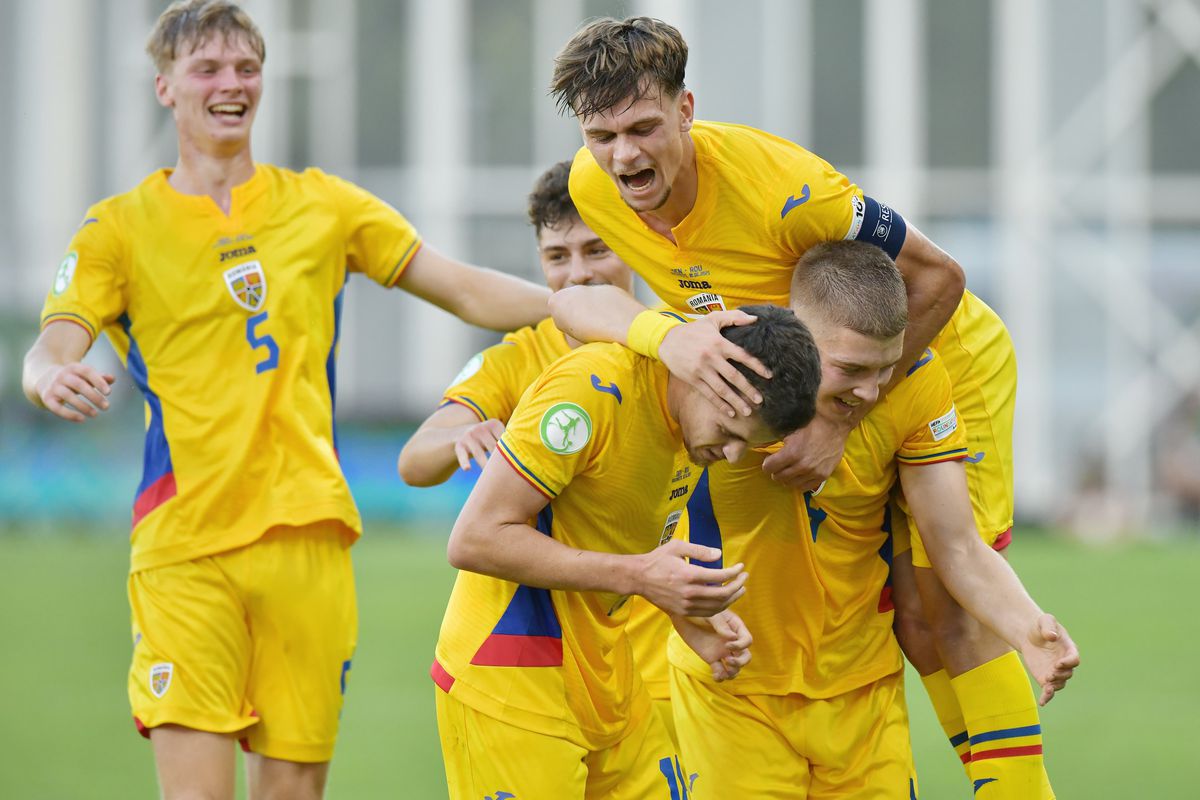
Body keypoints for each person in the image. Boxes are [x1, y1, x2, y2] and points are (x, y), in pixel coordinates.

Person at [20, 2, 549, 798]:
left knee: (293, 794)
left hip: (309, 540)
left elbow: (466, 289)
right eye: (208, 69)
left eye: (246, 68)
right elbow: (51, 345)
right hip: (185, 544)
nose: (230, 84)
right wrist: (47, 375)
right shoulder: (119, 229)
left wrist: (586, 308)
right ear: (166, 87)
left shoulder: (325, 207)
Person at [546, 17, 1048, 797]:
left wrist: (836, 418)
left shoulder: (784, 192)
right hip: (808, 383)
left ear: (687, 110)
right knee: (870, 611)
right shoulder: (592, 189)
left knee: (939, 606)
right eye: (601, 134)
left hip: (927, 358)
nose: (624, 156)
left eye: (643, 127)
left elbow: (938, 280)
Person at [667, 242, 1078, 798]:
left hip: (862, 694)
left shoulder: (916, 383)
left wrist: (1028, 628)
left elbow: (955, 546)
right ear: (801, 341)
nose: (869, 390)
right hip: (734, 690)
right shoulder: (722, 368)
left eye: (885, 367)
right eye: (851, 369)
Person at [431, 305, 822, 798]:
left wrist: (685, 610)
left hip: (606, 675)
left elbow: (610, 532)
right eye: (730, 433)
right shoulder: (592, 390)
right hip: (511, 671)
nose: (732, 454)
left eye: (750, 444)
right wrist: (641, 576)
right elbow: (475, 538)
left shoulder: (696, 428)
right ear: (705, 376)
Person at [398, 161, 680, 740]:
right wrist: (461, 437)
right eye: (557, 257)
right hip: (550, 658)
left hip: (662, 658)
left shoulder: (679, 343)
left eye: (597, 249)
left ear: (636, 244)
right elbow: (414, 460)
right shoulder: (521, 355)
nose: (576, 274)